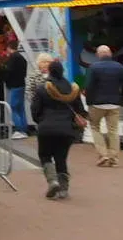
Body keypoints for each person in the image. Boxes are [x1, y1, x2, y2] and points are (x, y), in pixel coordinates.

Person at [31, 60, 87, 199]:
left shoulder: (42, 88)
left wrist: (40, 121)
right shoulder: (73, 89)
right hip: (66, 129)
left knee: (45, 155)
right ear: (63, 72)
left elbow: (35, 111)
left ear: (50, 71)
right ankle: (63, 188)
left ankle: (52, 181)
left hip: (46, 128)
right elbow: (80, 111)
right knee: (61, 158)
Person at [85, 45, 123, 167]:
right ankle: (114, 158)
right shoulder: (119, 67)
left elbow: (89, 87)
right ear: (110, 53)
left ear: (98, 55)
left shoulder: (93, 67)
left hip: (97, 104)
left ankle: (103, 154)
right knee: (113, 130)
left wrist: (89, 102)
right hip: (114, 104)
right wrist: (121, 101)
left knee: (95, 127)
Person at [3, 40, 29, 139]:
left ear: (9, 48)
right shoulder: (22, 58)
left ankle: (19, 129)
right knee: (21, 108)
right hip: (21, 84)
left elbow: (8, 71)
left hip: (14, 85)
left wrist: (5, 79)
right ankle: (24, 128)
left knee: (13, 108)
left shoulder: (12, 58)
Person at [25, 53, 54, 133]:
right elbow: (29, 90)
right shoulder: (34, 75)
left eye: (48, 62)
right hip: (39, 106)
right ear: (39, 63)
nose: (46, 64)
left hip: (52, 106)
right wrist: (35, 101)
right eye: (43, 62)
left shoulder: (54, 75)